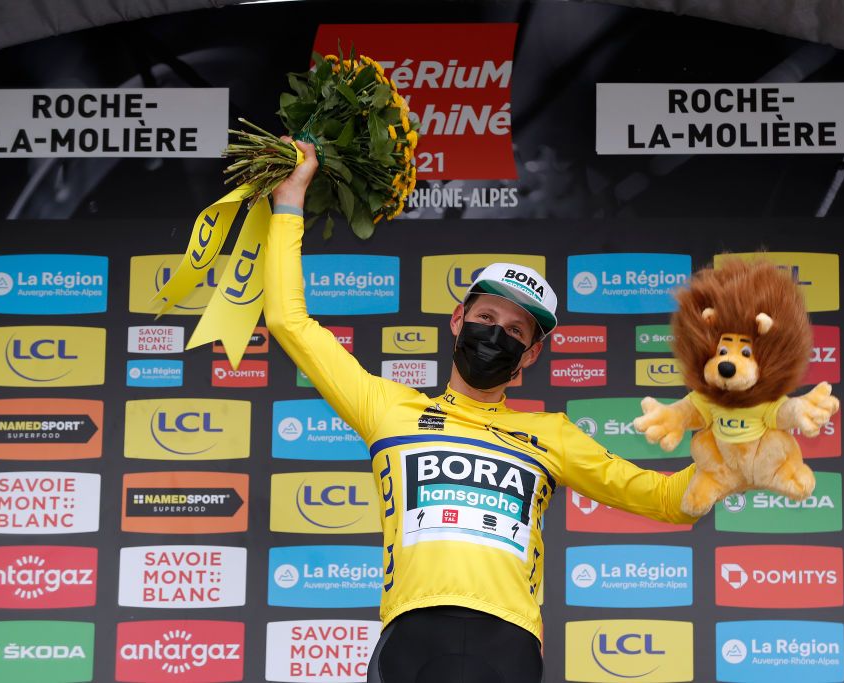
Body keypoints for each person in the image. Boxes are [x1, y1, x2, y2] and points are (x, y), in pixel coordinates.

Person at [264, 140, 699, 683]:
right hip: (411, 636)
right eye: (486, 316)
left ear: (532, 352)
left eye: (516, 330)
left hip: (507, 643)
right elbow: (288, 322)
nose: (496, 334)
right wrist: (289, 198)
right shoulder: (387, 407)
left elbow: (667, 500)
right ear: (457, 319)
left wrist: (731, 459)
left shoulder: (551, 435)